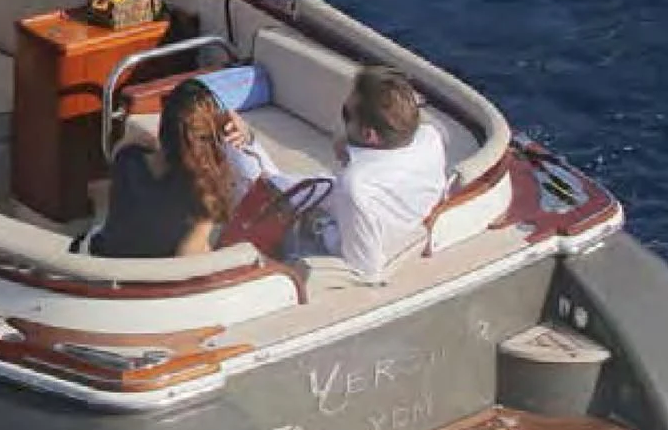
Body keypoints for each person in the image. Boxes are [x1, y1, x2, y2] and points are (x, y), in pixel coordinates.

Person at [224, 64, 448, 282]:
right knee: (279, 182)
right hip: (384, 218)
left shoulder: (356, 187)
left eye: (346, 114)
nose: (341, 119)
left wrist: (319, 225)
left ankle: (232, 139)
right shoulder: (430, 138)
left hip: (325, 242)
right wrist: (352, 150)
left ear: (370, 135)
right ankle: (247, 142)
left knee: (258, 183)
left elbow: (365, 269)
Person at [86, 80, 238, 259]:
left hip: (107, 262)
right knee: (202, 243)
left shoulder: (128, 159)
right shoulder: (206, 189)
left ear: (163, 125)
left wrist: (143, 142)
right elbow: (186, 257)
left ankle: (101, 207)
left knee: (101, 192)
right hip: (158, 273)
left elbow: (120, 150)